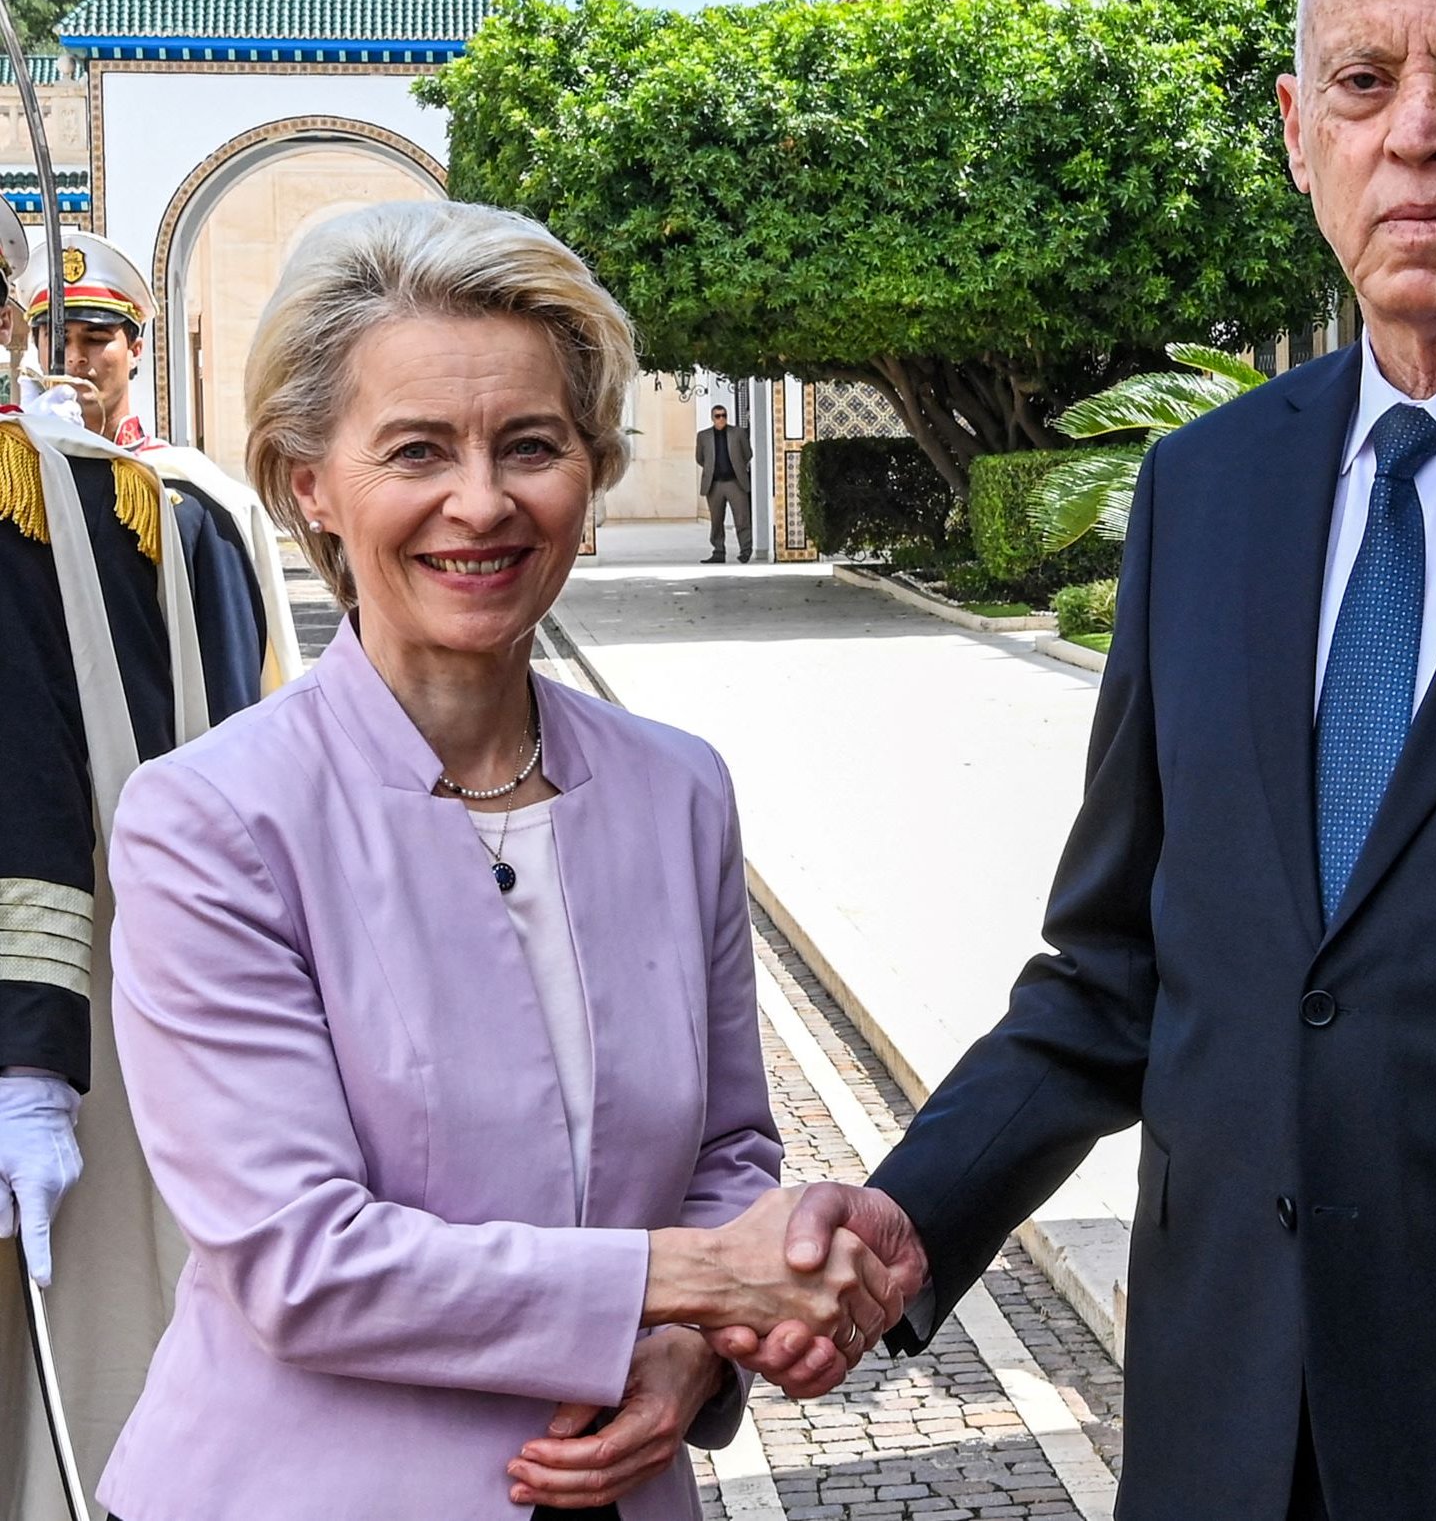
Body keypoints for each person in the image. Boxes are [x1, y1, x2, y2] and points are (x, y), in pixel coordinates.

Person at [721, 0, 1436, 1521]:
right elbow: (1116, 966)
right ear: (1300, 132)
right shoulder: (1205, 488)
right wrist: (911, 1212)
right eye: (1364, 85)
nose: (1416, 135)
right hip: (1224, 1428)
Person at [98, 201, 899, 1521]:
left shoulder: (676, 787)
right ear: (310, 479)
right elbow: (306, 1261)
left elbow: (728, 1149)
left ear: (586, 469)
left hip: (620, 1490)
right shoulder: (210, 820)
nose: (481, 499)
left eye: (529, 444)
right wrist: (702, 1278)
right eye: (416, 448)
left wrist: (683, 1349)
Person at [0, 208, 270, 1519]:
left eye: (91, 331)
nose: (71, 353)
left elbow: (203, 745)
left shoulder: (146, 507)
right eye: (54, 329)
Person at [20, 229, 302, 691]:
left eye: (95, 338)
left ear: (134, 350)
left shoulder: (190, 490)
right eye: (57, 338)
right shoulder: (17, 483)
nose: (74, 359)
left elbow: (233, 670)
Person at [695, 403, 751, 563]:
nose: (721, 419)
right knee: (716, 519)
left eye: (724, 415)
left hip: (735, 482)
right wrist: (711, 469)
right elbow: (699, 458)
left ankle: (745, 550)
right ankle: (718, 551)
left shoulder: (738, 433)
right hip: (714, 484)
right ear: (713, 418)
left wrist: (738, 467)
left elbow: (747, 453)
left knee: (742, 518)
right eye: (718, 416)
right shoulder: (703, 436)